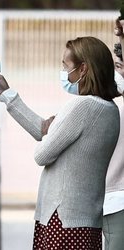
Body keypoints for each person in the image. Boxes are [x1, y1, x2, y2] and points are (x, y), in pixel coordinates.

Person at [0, 36, 120, 249]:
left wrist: (50, 131)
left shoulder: (82, 106)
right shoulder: (109, 110)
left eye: (66, 66)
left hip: (62, 219)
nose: (64, 72)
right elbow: (44, 131)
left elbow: (42, 154)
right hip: (84, 221)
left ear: (83, 69)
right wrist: (6, 94)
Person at [103, 19, 124, 250]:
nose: (116, 73)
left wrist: (121, 37)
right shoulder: (106, 106)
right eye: (115, 67)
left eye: (120, 66)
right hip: (109, 202)